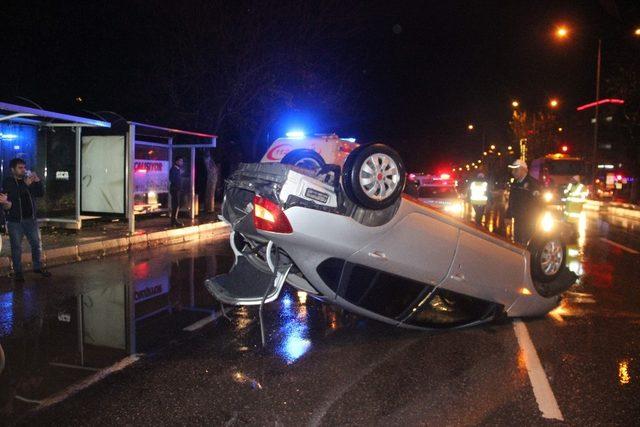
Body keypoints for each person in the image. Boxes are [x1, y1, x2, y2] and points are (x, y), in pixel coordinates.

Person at [2, 158, 51, 282]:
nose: (23, 170)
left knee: (36, 244)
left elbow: (40, 193)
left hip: (31, 219)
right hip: (15, 221)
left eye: (24, 167)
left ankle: (37, 266)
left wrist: (37, 181)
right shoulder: (8, 181)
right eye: (20, 167)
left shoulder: (27, 180)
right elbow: (13, 195)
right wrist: (26, 184)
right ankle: (18, 272)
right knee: (16, 247)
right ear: (12, 169)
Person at [506, 159, 542, 245]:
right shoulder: (515, 183)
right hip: (518, 218)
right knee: (517, 240)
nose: (513, 172)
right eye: (513, 170)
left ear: (524, 170)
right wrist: (508, 215)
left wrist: (534, 217)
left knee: (527, 241)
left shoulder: (533, 184)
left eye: (516, 170)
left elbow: (539, 203)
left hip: (529, 220)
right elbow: (512, 200)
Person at [169, 156, 184, 227]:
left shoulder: (177, 169)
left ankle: (174, 220)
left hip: (177, 189)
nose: (182, 162)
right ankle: (174, 220)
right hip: (175, 189)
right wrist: (177, 186)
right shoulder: (174, 169)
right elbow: (172, 179)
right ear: (176, 161)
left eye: (182, 161)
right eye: (180, 161)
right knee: (176, 205)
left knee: (176, 204)